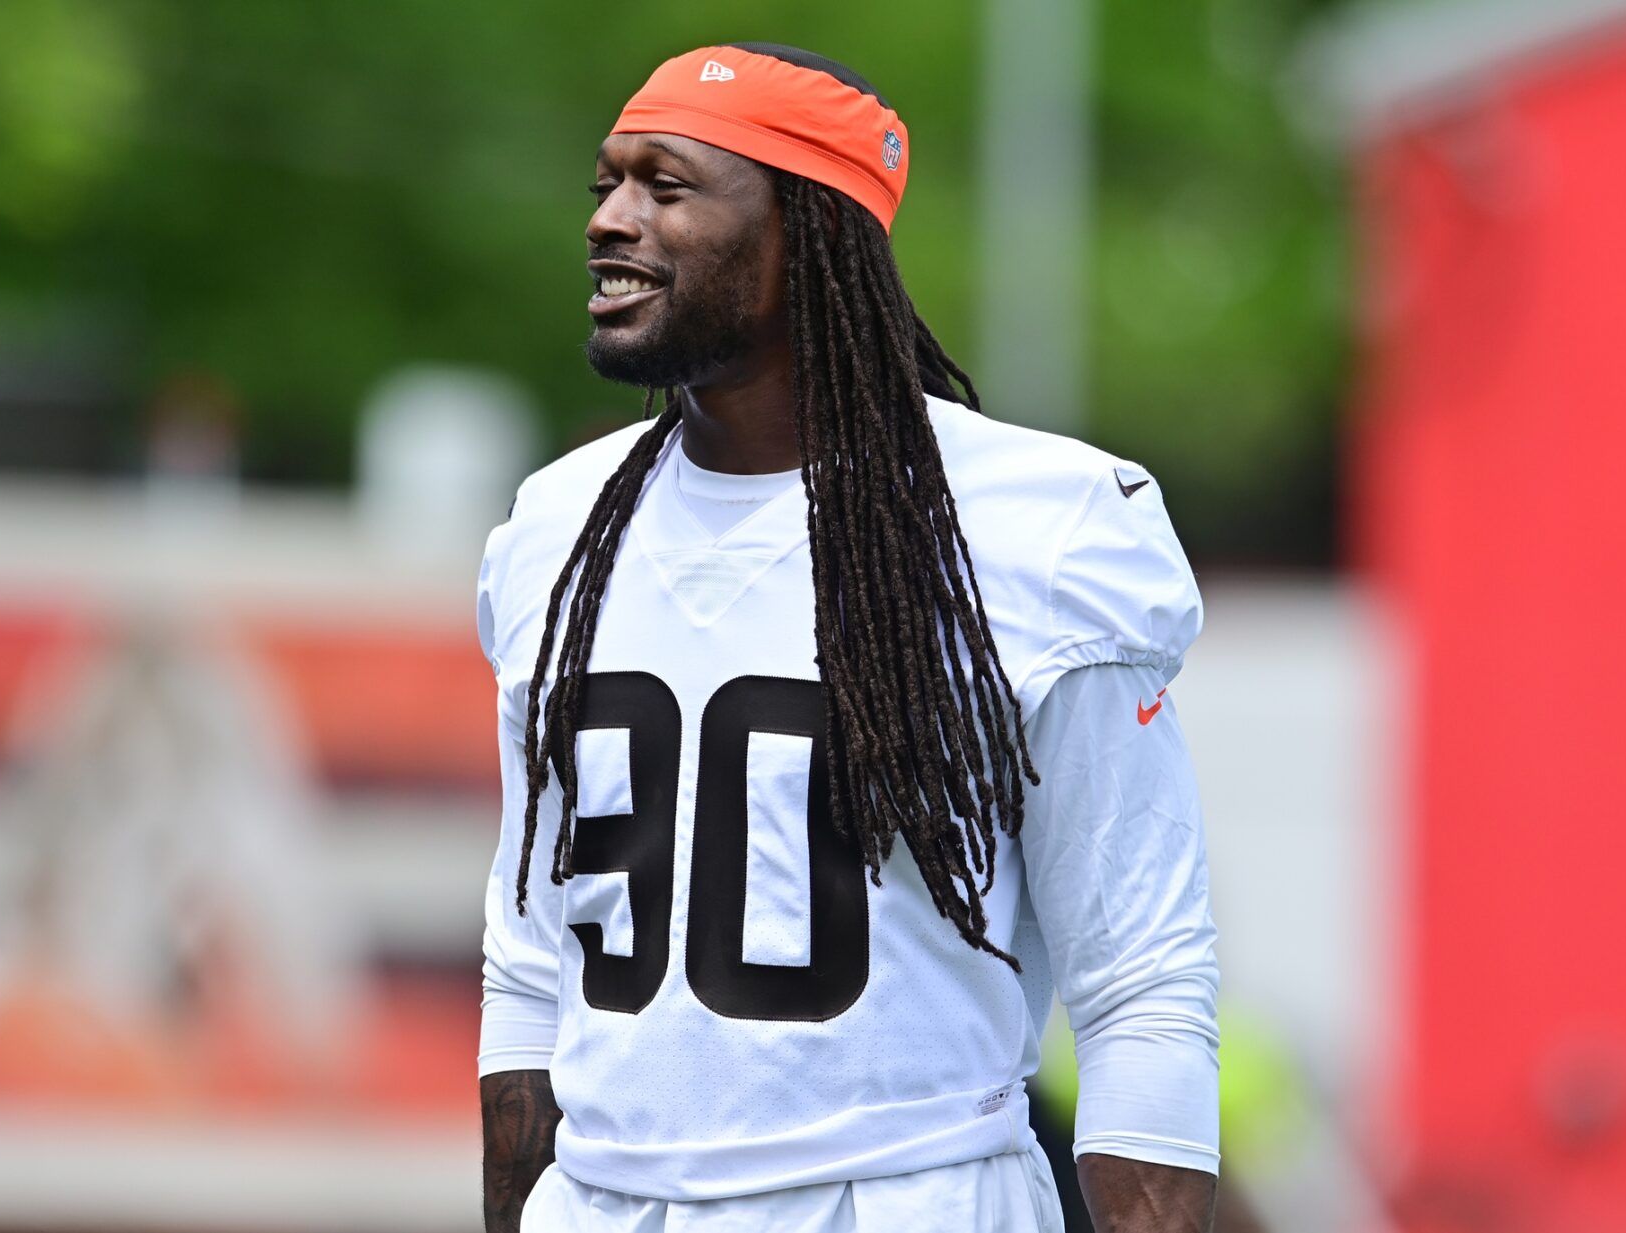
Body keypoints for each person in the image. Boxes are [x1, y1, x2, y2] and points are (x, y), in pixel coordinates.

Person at [476, 43, 1221, 1233]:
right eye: (607, 184)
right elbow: (527, 965)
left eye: (665, 186)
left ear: (803, 233)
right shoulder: (555, 525)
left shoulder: (1043, 526)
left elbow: (1139, 982)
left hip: (903, 1200)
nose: (611, 221)